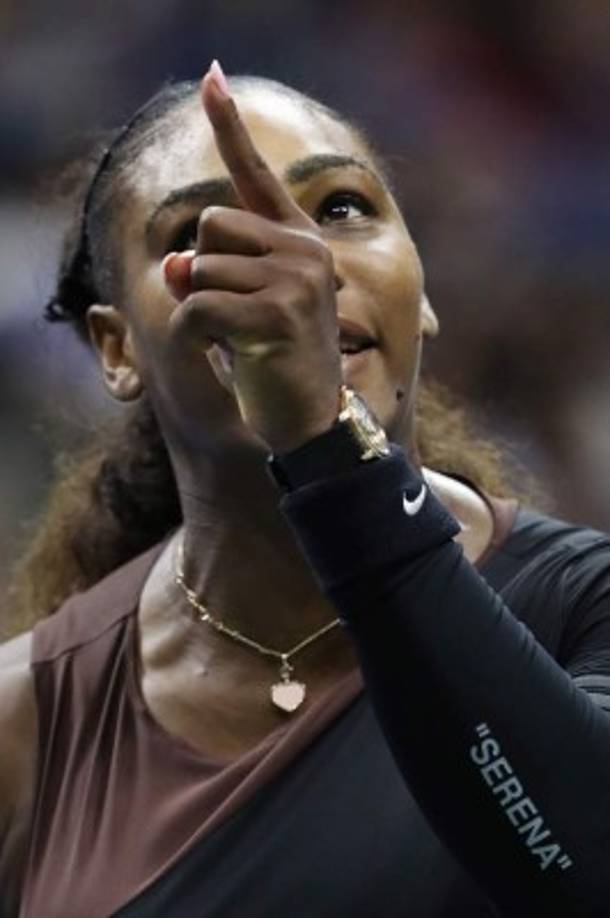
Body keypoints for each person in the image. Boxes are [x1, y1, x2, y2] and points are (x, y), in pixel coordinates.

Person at [1, 59, 610, 917]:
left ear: (421, 290)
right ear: (118, 349)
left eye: (340, 210)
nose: (295, 268)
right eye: (207, 236)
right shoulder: (24, 723)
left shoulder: (587, 609)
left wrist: (327, 442)